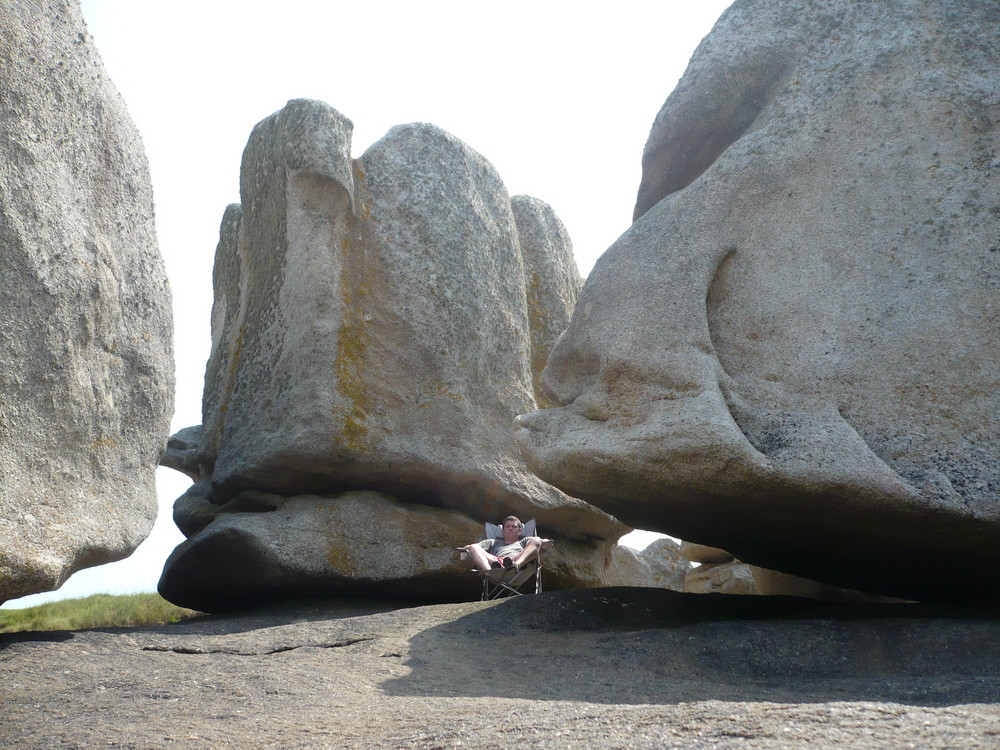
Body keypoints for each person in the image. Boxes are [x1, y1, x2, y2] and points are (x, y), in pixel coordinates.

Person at [463, 515, 551, 572]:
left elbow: (541, 542)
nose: (510, 528)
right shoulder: (492, 542)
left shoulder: (523, 542)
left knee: (536, 539)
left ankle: (515, 564)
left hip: (517, 562)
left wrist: (542, 542)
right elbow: (469, 547)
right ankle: (488, 571)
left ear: (520, 531)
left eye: (514, 527)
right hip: (494, 564)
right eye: (507, 527)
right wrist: (468, 548)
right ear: (503, 530)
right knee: (474, 546)